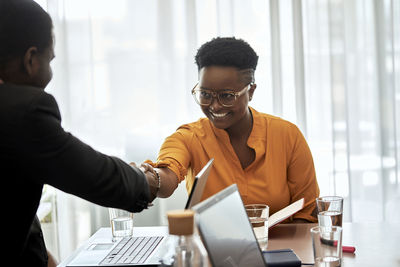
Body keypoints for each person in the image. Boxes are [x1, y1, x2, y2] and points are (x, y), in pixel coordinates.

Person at [0, 1, 158, 266]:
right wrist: (147, 180)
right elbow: (93, 174)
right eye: (49, 61)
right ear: (30, 60)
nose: (50, 72)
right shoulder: (21, 110)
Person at [141, 37, 320, 222]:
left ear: (251, 91)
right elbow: (167, 177)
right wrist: (146, 178)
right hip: (213, 249)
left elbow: (306, 213)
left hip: (282, 248)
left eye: (227, 96)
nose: (215, 106)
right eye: (205, 94)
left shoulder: (287, 135)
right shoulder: (188, 138)